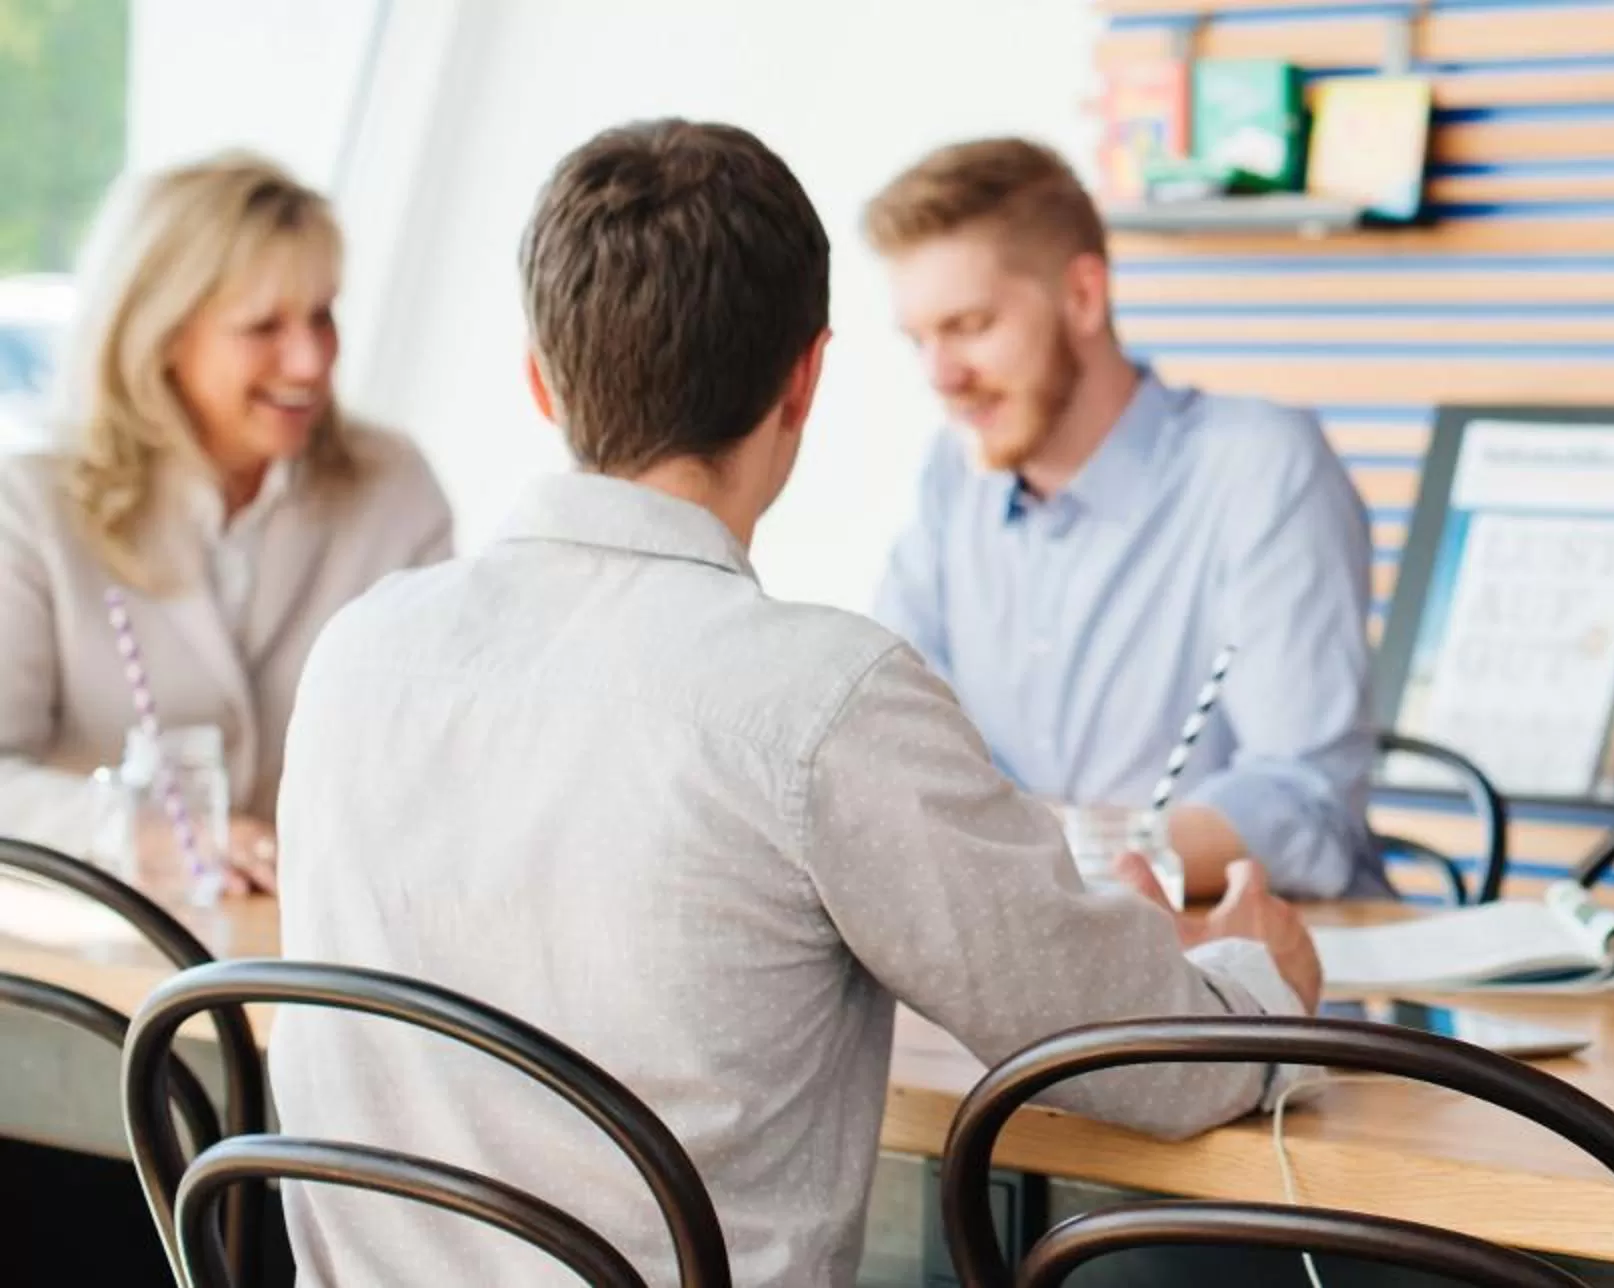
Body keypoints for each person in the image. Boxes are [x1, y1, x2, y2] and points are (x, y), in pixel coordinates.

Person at [267, 120, 1322, 1288]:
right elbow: (1153, 1069)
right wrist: (1262, 982)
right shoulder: (822, 703)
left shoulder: (357, 652)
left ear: (540, 378)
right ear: (805, 378)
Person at [863, 138, 1383, 901]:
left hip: (1245, 987)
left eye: (970, 325)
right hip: (1037, 970)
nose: (941, 377)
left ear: (1082, 297)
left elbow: (1306, 803)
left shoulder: (1259, 468)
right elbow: (890, 735)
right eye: (919, 340)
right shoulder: (954, 476)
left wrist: (1060, 858)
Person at [0, 152, 451, 888]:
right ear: (161, 334)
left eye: (322, 315)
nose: (309, 360)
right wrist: (138, 836)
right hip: (95, 970)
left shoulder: (393, 487)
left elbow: (434, 757)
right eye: (263, 326)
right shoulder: (33, 506)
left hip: (304, 965)